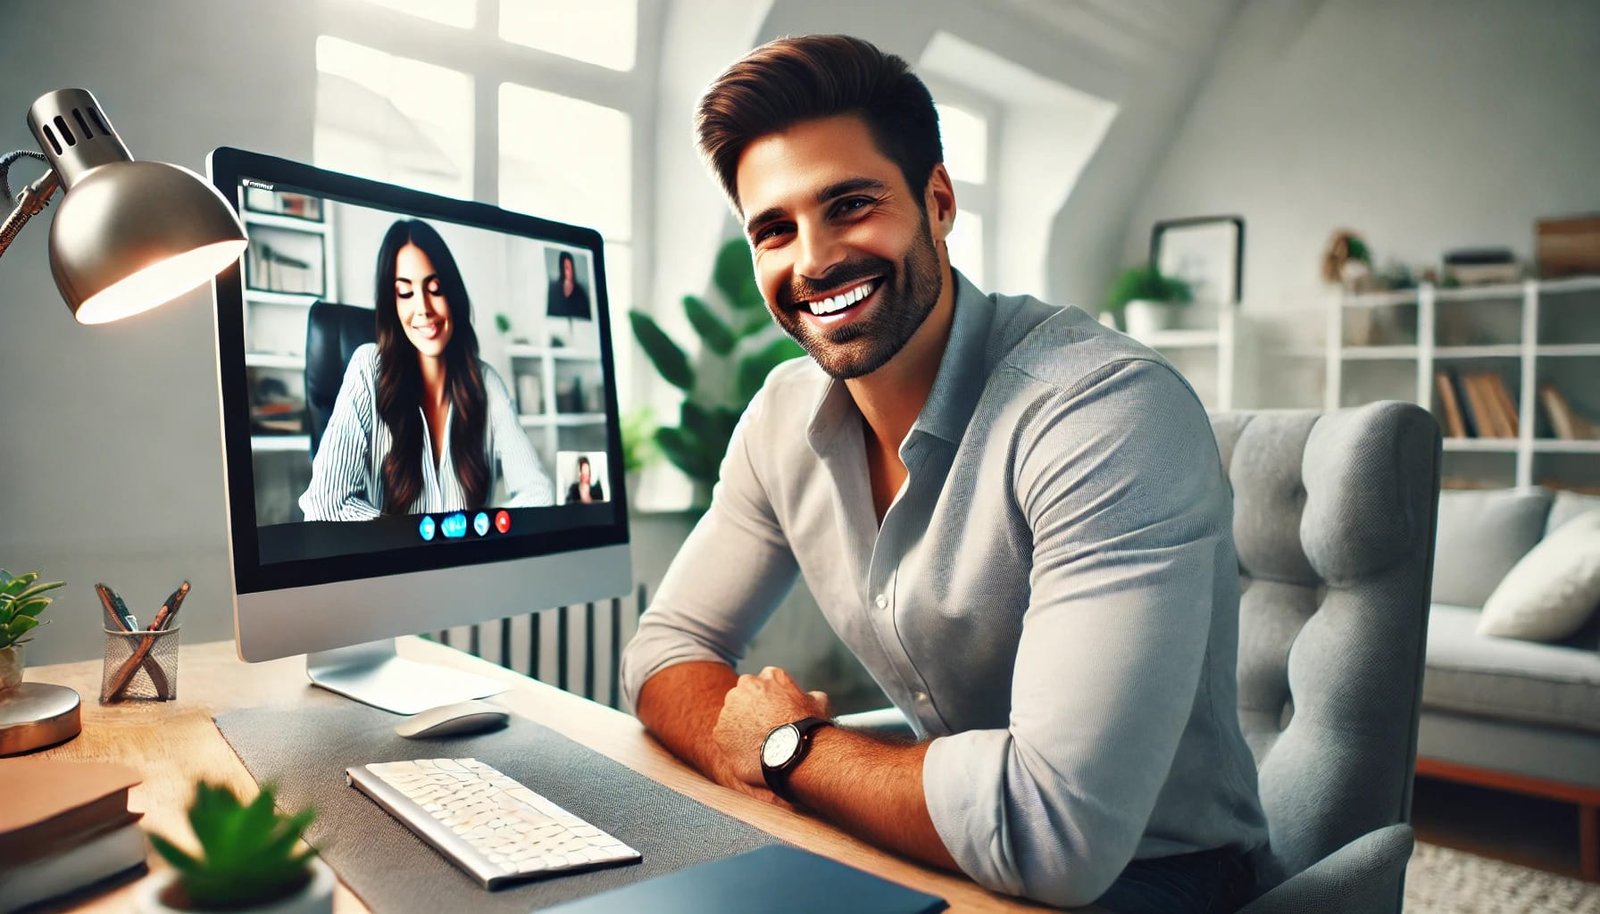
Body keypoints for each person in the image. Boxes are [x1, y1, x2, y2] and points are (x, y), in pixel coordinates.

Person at [618, 35, 1267, 912]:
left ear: (939, 201)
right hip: (936, 844)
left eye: (849, 204)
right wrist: (750, 736)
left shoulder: (1104, 413)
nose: (811, 261)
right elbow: (665, 651)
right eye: (775, 229)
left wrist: (791, 748)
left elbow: (1057, 835)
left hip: (1156, 875)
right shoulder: (780, 417)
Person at [300, 219, 553, 520]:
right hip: (393, 568)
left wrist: (480, 533)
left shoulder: (486, 383)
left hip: (469, 566)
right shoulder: (368, 369)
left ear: (453, 296)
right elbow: (326, 504)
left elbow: (539, 492)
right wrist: (421, 544)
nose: (423, 308)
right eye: (405, 293)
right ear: (392, 304)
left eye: (435, 289)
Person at [547, 250, 591, 319]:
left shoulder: (580, 292)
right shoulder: (553, 291)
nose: (569, 271)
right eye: (566, 268)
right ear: (561, 268)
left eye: (571, 267)